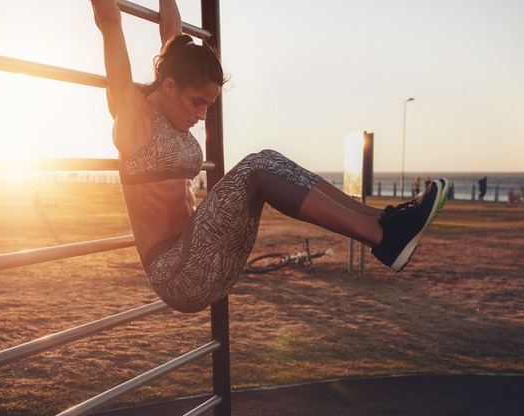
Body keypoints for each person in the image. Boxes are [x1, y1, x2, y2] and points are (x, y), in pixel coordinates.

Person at [90, 0, 449, 313]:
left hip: (209, 255)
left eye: (208, 106)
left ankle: (388, 222)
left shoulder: (173, 96)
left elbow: (172, 32)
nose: (201, 116)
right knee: (258, 167)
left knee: (268, 159)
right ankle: (383, 238)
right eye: (197, 102)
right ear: (169, 86)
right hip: (177, 274)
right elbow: (109, 20)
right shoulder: (132, 115)